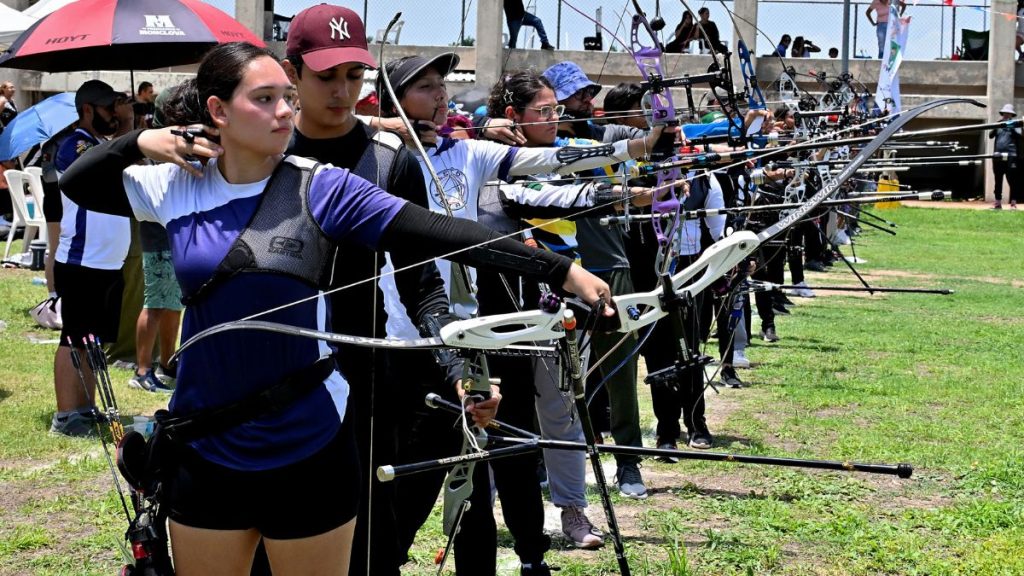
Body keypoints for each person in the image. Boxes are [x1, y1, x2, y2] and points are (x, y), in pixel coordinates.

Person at [59, 41, 612, 575]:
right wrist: (140, 140)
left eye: (285, 97)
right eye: (264, 98)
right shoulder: (176, 184)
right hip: (205, 439)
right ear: (216, 110)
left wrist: (562, 270)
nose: (283, 112)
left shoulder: (320, 186)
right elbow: (78, 184)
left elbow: (442, 233)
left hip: (309, 438)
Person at [374, 53, 658, 575]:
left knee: (483, 466)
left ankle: (517, 560)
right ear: (390, 100)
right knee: (405, 481)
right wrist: (376, 125)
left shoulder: (469, 152)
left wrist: (636, 144)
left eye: (443, 87)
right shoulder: (374, 156)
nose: (440, 96)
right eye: (425, 88)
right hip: (400, 340)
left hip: (468, 335)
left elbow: (555, 163)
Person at [49, 80, 131, 437]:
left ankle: (85, 406)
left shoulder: (102, 145)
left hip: (109, 261)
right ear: (88, 110)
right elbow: (99, 172)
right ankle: (66, 416)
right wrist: (127, 137)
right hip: (82, 259)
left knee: (92, 339)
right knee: (74, 336)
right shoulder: (75, 144)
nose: (116, 113)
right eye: (110, 107)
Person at [128, 89, 182, 394]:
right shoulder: (152, 146)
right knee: (155, 304)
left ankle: (167, 362)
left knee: (171, 304)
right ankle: (142, 369)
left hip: (173, 238)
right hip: (157, 238)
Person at [989, 103, 1021, 210]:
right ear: (1002, 114)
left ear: (1012, 115)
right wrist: (997, 124)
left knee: (1012, 179)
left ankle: (1013, 203)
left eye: (1009, 114)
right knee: (998, 179)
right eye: (1005, 113)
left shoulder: (1016, 124)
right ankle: (998, 203)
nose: (1007, 115)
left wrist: (1011, 126)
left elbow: (1020, 137)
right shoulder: (999, 124)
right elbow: (990, 135)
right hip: (998, 155)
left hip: (1011, 155)